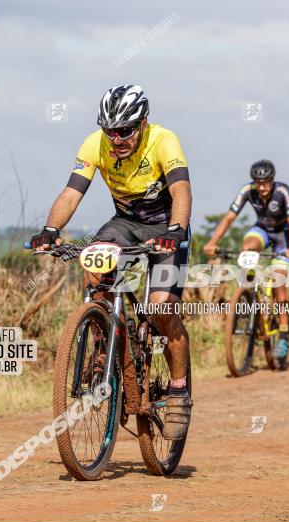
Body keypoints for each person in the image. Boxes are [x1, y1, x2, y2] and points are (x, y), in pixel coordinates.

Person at [30, 84, 193, 440]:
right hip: (124, 223)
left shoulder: (164, 140)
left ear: (144, 123)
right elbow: (72, 191)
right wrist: (50, 229)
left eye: (125, 130)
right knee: (93, 263)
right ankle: (105, 341)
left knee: (162, 309)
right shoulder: (95, 144)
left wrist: (177, 230)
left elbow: (181, 190)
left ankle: (179, 390)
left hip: (166, 226)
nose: (117, 139)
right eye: (110, 131)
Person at [203, 159, 289, 361]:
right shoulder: (247, 190)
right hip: (262, 230)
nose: (262, 187)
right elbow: (229, 217)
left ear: (273, 181)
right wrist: (213, 241)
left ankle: (282, 333)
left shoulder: (283, 192)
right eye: (258, 182)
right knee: (247, 248)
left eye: (266, 182)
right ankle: (248, 291)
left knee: (279, 281)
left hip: (283, 235)